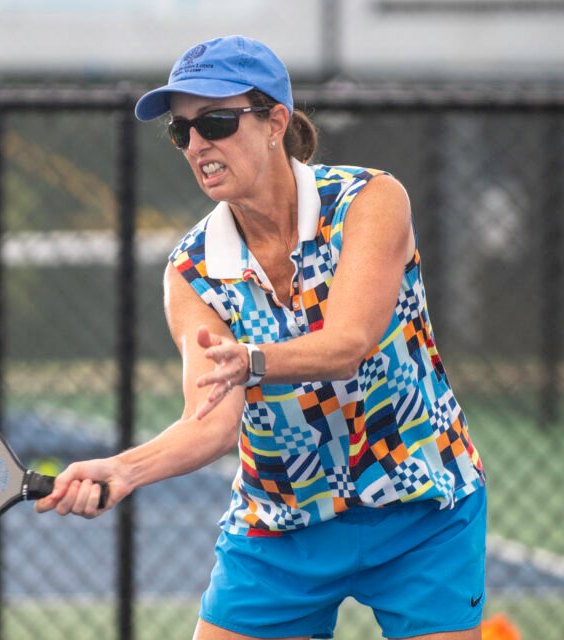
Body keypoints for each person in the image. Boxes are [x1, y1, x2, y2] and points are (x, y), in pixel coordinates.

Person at [36, 35, 486, 640]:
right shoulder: (191, 271)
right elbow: (213, 422)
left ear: (275, 121)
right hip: (281, 523)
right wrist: (123, 468)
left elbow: (349, 341)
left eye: (216, 122)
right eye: (181, 131)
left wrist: (252, 361)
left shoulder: (369, 200)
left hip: (421, 504)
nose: (198, 144)